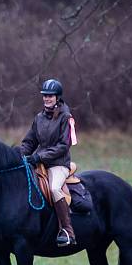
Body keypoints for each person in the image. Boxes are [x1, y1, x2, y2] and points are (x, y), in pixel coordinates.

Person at [20, 78, 78, 246]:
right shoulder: (39, 118)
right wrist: (19, 155)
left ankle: (67, 231)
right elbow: (29, 142)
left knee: (54, 189)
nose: (47, 99)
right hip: (41, 164)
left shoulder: (66, 118)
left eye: (50, 96)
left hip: (59, 164)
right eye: (45, 96)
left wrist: (39, 157)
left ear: (57, 97)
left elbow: (63, 146)